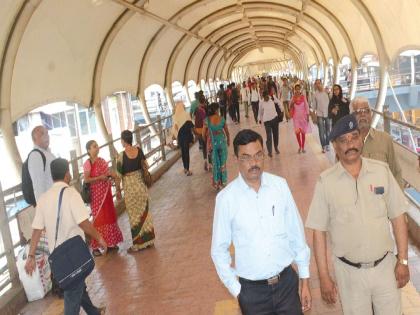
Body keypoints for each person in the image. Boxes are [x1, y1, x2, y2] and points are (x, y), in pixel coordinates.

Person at [306, 115, 410, 315]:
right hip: (349, 273)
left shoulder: (381, 171)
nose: (350, 144)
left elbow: (398, 217)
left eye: (354, 137)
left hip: (385, 268)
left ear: (361, 138)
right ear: (335, 147)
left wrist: (403, 261)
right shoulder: (325, 183)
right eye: (343, 141)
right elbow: (318, 232)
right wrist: (324, 276)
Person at [211, 129, 311, 315]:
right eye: (246, 157)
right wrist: (238, 291)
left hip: (287, 286)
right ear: (236, 159)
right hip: (252, 293)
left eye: (258, 155)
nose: (254, 163)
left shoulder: (279, 186)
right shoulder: (226, 199)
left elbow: (296, 233)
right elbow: (218, 250)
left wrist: (304, 279)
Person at [25, 158, 107, 315]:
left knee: (76, 285)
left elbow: (36, 230)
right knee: (72, 294)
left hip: (58, 257)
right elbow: (84, 222)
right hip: (74, 254)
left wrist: (30, 256)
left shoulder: (43, 199)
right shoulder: (71, 194)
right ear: (67, 174)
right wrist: (99, 238)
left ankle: (94, 312)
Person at [351, 97, 403, 188]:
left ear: (371, 114)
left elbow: (396, 173)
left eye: (366, 111)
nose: (363, 114)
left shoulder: (385, 140)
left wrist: (399, 200)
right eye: (358, 111)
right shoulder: (345, 145)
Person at [116, 130, 155, 252]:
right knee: (145, 213)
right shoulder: (139, 151)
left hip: (130, 189)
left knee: (134, 216)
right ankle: (149, 241)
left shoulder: (121, 156)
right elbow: (146, 165)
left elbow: (118, 175)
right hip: (141, 186)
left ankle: (138, 245)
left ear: (123, 141)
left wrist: (117, 190)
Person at [83, 140, 123, 256]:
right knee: (98, 219)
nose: (97, 148)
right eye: (94, 146)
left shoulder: (102, 161)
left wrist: (112, 176)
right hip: (96, 196)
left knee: (108, 216)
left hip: (106, 194)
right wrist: (100, 177)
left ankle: (110, 243)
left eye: (97, 146)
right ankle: (95, 247)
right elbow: (86, 179)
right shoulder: (88, 163)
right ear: (89, 150)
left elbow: (108, 173)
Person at [202, 103, 230, 190]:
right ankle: (224, 182)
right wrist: (228, 140)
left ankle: (217, 183)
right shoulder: (221, 119)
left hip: (213, 144)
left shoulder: (207, 120)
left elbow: (203, 134)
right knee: (222, 163)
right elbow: (226, 132)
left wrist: (207, 141)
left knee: (215, 163)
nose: (218, 111)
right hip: (222, 143)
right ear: (215, 110)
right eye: (217, 109)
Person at [28, 125, 56, 203]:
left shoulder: (47, 153)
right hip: (49, 203)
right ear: (34, 139)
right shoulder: (36, 155)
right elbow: (38, 185)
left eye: (47, 133)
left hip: (55, 199)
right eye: (42, 134)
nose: (46, 136)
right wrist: (42, 208)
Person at [172, 101, 195, 176]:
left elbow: (175, 128)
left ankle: (185, 168)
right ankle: (187, 170)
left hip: (180, 137)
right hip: (186, 136)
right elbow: (191, 125)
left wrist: (176, 136)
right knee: (186, 152)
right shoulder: (186, 114)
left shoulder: (175, 116)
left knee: (183, 152)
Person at [290, 84, 310, 153]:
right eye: (296, 89)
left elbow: (307, 106)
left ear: (300, 89)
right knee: (297, 133)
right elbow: (290, 106)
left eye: (299, 89)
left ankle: (303, 147)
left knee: (303, 133)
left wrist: (307, 116)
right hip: (296, 118)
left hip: (303, 118)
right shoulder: (293, 98)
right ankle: (300, 146)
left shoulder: (303, 97)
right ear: (295, 90)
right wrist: (293, 102)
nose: (297, 90)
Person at [312, 79, 331, 153]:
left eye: (319, 83)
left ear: (321, 83)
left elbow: (331, 100)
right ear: (315, 85)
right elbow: (314, 105)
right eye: (316, 84)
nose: (318, 85)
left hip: (327, 114)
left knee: (328, 130)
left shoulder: (326, 91)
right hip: (319, 114)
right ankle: (323, 146)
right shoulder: (315, 94)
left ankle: (327, 144)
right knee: (321, 131)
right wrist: (314, 115)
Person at [259, 90, 280, 157]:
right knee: (269, 136)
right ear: (263, 97)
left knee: (275, 135)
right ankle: (270, 151)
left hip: (274, 119)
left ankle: (276, 147)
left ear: (268, 95)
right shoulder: (261, 102)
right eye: (265, 97)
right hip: (267, 121)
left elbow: (279, 103)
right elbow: (260, 112)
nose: (266, 98)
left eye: (267, 97)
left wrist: (281, 110)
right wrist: (259, 119)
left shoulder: (272, 98)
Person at [194, 95, 208, 171]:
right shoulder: (203, 110)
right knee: (207, 145)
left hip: (198, 130)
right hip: (203, 130)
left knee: (203, 145)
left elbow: (194, 118)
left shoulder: (197, 109)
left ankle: (205, 160)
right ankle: (209, 162)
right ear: (204, 101)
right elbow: (205, 121)